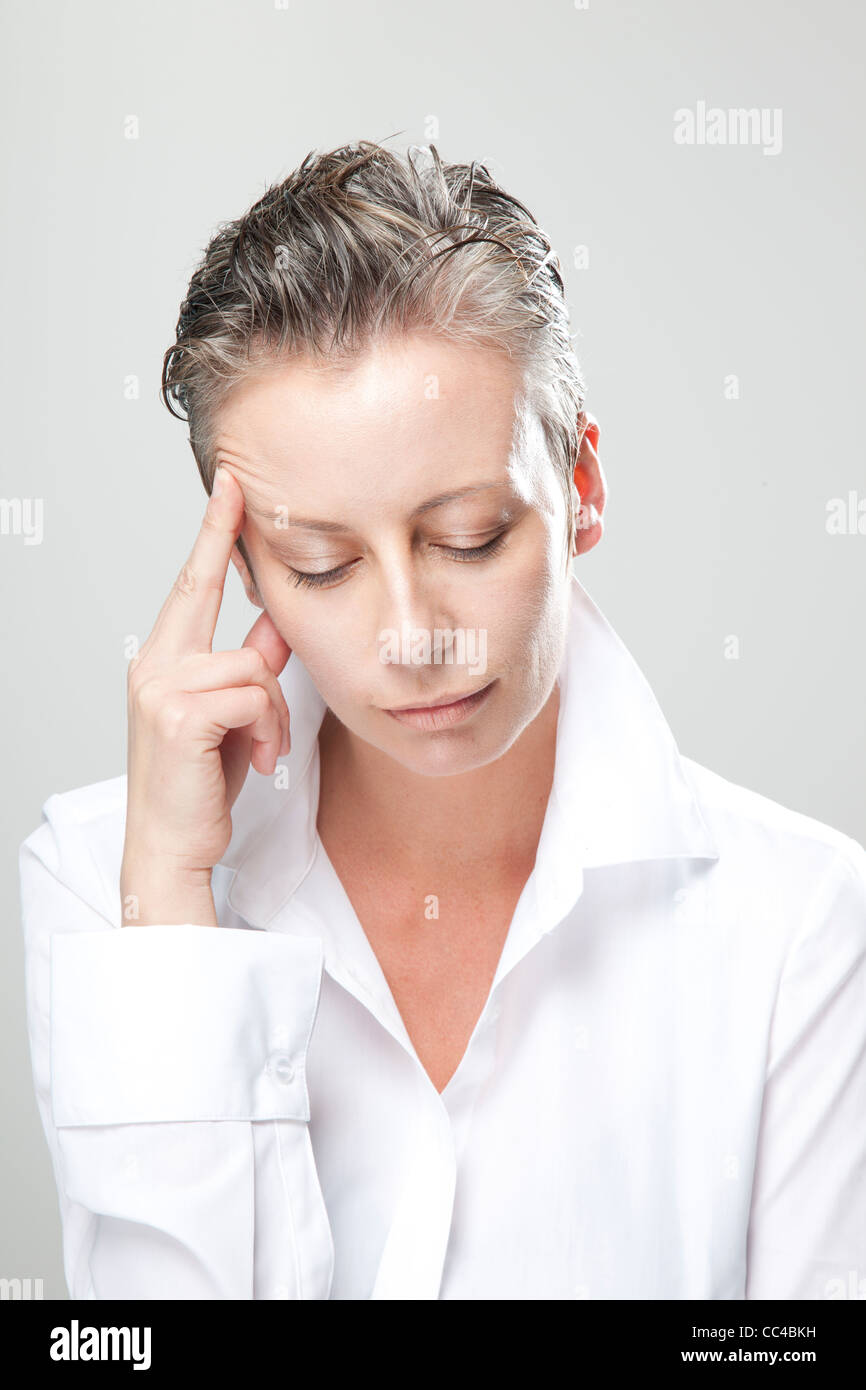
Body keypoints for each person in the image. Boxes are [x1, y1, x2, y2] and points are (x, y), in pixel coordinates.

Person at [19, 140, 866, 1300]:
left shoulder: (803, 926)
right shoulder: (97, 877)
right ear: (245, 574)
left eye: (467, 536)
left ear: (581, 486)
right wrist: (168, 903)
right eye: (320, 566)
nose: (412, 633)